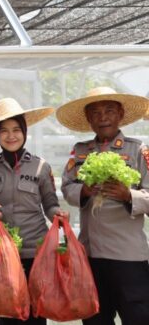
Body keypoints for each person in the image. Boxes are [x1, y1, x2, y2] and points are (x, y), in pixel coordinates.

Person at [0, 97, 67, 325]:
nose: (11, 136)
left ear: (24, 131)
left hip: (36, 255)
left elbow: (50, 204)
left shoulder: (41, 166)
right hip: (3, 255)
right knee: (7, 315)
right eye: (4, 131)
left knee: (36, 316)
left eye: (16, 130)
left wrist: (58, 215)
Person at [58, 87, 149, 325]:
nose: (103, 117)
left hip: (128, 256)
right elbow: (67, 187)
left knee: (138, 318)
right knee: (95, 319)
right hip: (91, 254)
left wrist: (128, 195)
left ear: (120, 114)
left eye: (109, 111)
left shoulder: (138, 150)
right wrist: (83, 191)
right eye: (95, 113)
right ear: (88, 119)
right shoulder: (80, 151)